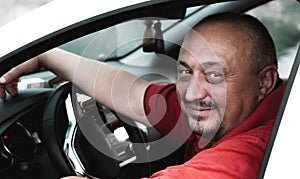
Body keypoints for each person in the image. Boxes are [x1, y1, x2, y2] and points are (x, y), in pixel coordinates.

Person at [0, 12, 284, 178]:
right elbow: (136, 94)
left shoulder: (250, 157)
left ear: (265, 82)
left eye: (215, 75)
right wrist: (45, 55)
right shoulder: (232, 109)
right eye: (185, 71)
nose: (193, 94)